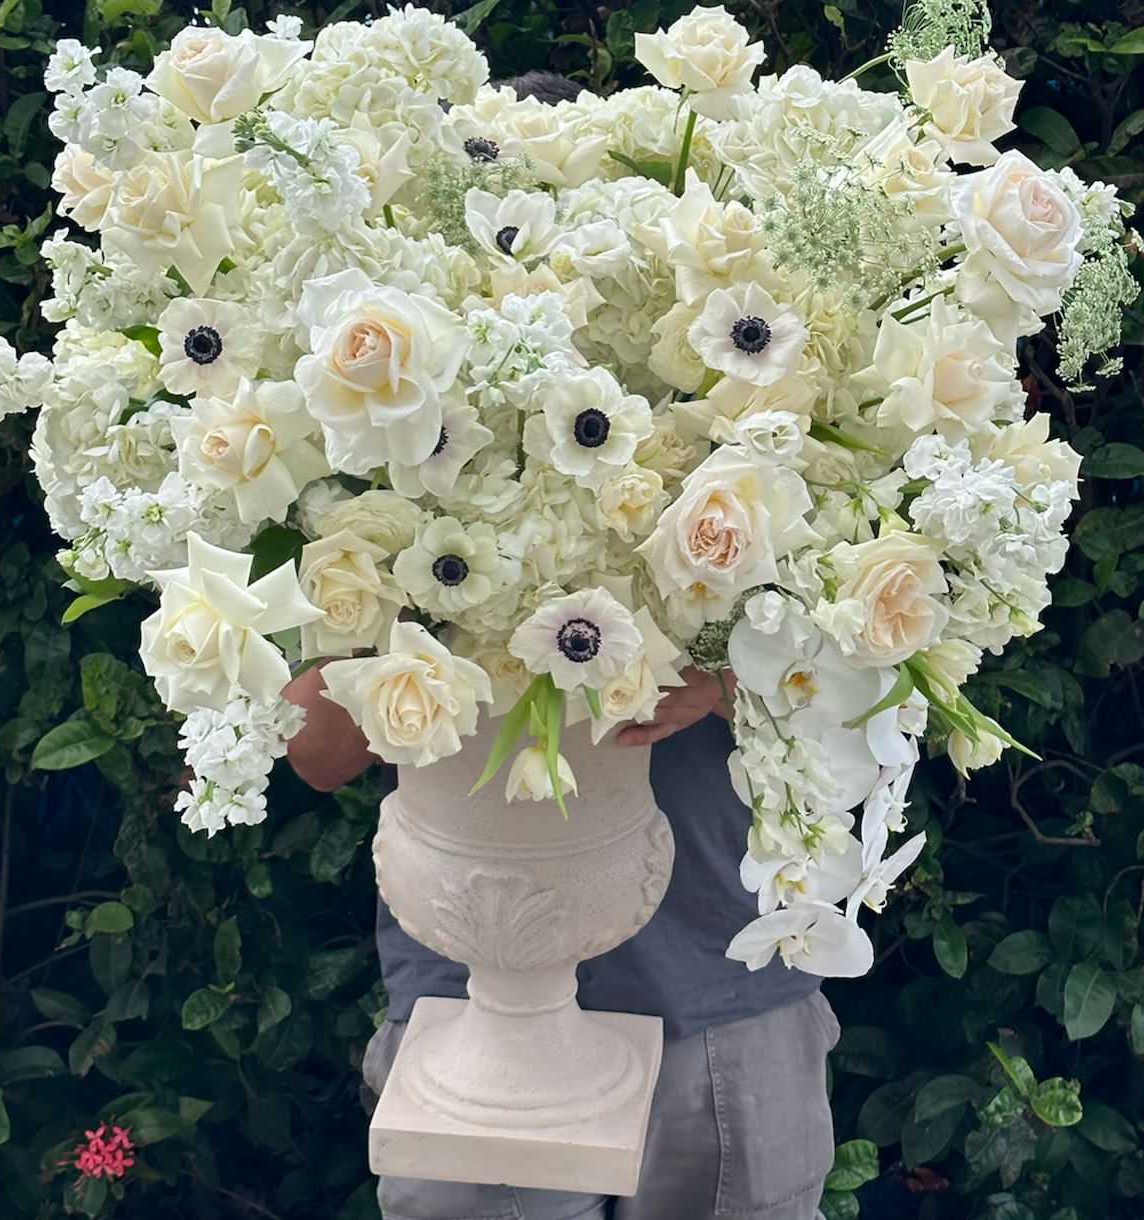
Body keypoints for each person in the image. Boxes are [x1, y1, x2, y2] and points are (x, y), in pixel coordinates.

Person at [283, 68, 838, 1220]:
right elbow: (319, 754)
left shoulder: (744, 433)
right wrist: (411, 640)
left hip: (723, 992)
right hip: (472, 1009)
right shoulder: (369, 471)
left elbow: (861, 691)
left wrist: (719, 672)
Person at [284, 664, 839, 1220]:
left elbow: (861, 697)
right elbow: (320, 755)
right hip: (475, 998)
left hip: (721, 963)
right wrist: (380, 610)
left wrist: (735, 675)